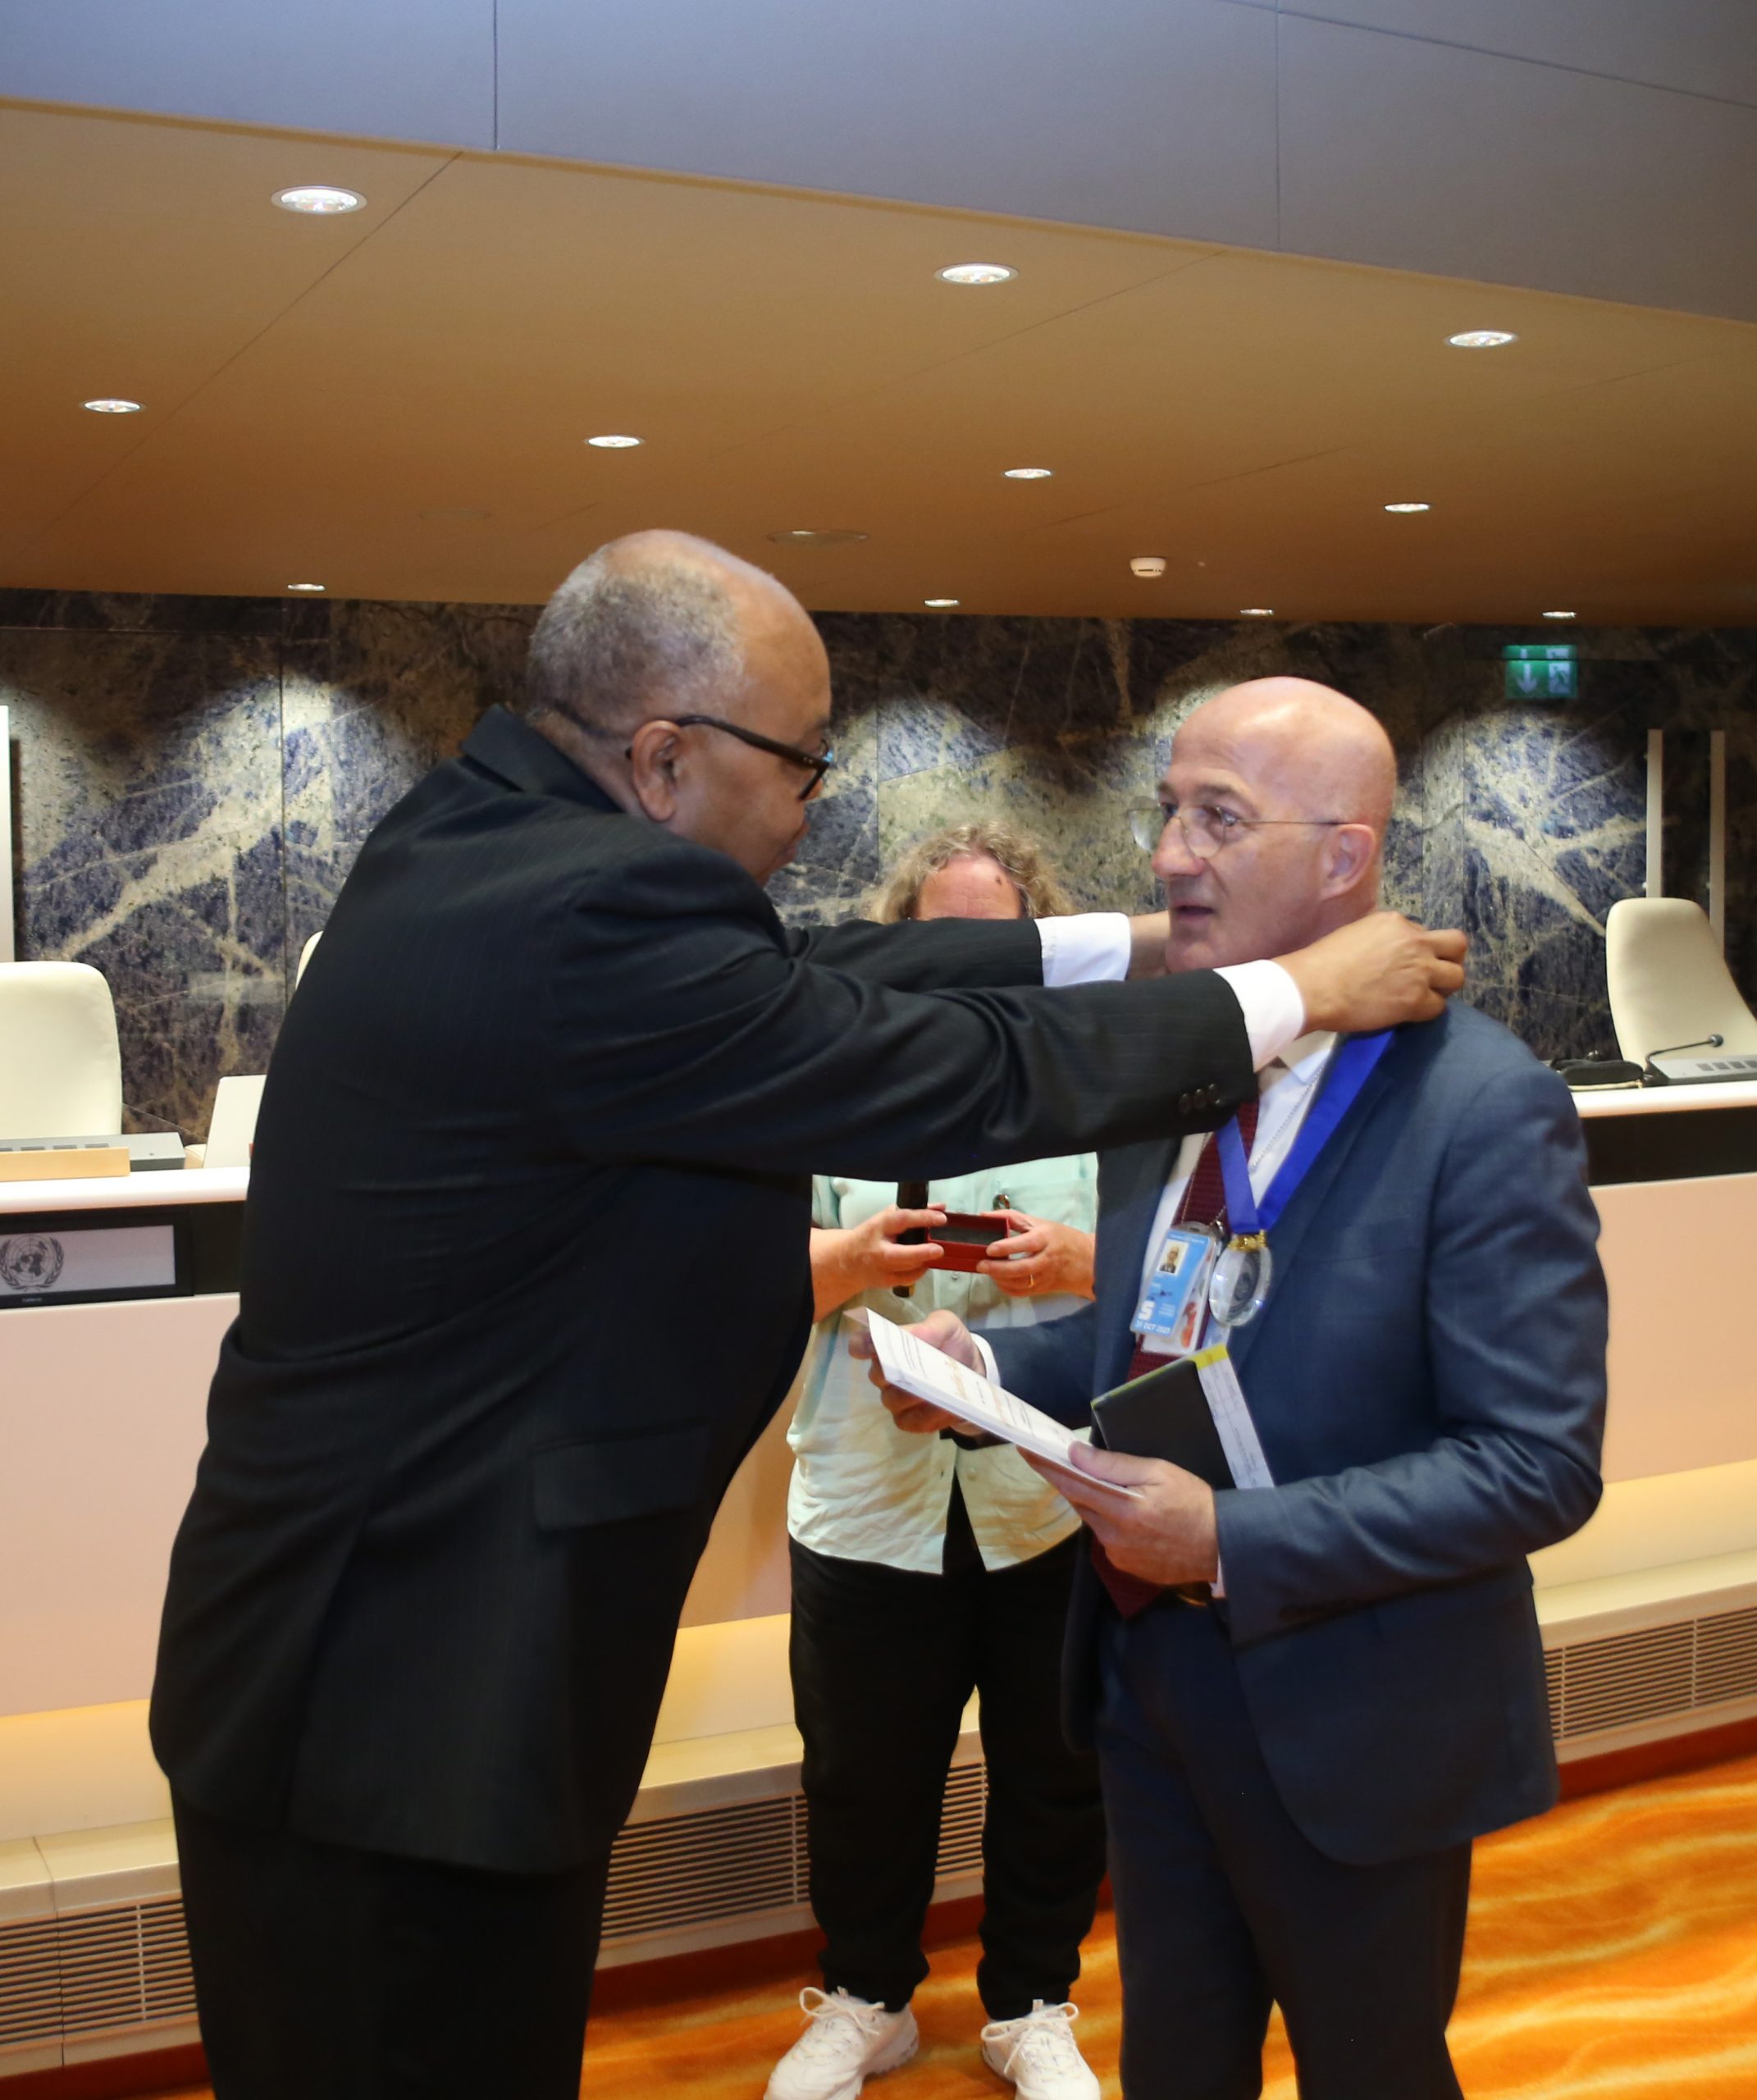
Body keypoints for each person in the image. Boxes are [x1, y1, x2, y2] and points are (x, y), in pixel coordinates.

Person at [149, 534, 1465, 2100]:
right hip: (399, 1704)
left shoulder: (492, 837)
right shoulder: (585, 914)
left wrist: (1138, 941)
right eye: (800, 764)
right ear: (664, 760)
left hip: (386, 1666)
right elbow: (950, 1069)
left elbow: (832, 960)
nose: (811, 807)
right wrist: (1298, 991)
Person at [867, 677, 1607, 2100]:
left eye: (1217, 818)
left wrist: (1227, 1540)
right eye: (1167, 812)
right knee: (1175, 2065)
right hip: (1150, 1688)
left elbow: (1535, 1464)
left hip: (1357, 1713)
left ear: (1344, 857)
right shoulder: (1178, 1074)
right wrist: (986, 1370)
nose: (1166, 855)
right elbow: (1152, 1340)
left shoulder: (1484, 1105)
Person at [772, 821, 1107, 2100]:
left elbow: (1166, 1281)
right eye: (940, 940)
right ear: (897, 948)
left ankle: (1031, 2006)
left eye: (994, 940)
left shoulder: (1092, 1088)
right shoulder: (821, 1087)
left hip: (1045, 1496)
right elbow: (740, 1280)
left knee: (1053, 1770)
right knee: (862, 1776)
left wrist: (1074, 1261)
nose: (967, 966)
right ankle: (866, 2000)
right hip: (865, 1498)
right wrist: (855, 1261)